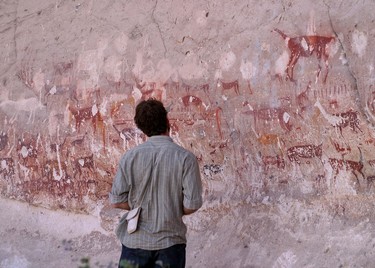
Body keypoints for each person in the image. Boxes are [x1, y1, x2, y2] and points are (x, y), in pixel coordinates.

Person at [109, 99, 203, 268]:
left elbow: (117, 200)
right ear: (168, 122)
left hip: (135, 242)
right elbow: (192, 204)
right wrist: (170, 207)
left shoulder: (130, 157)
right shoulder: (186, 158)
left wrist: (140, 206)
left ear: (141, 127)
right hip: (170, 243)